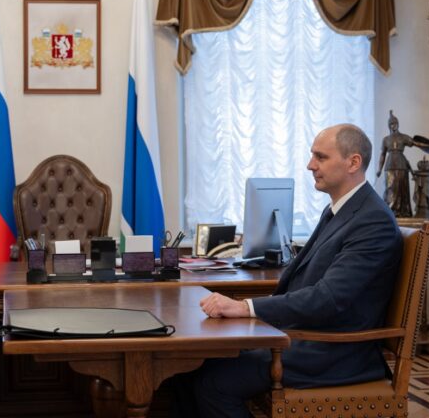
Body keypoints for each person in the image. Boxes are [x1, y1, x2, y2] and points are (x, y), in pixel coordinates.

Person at [171, 124, 403, 418]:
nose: (310, 165)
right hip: (305, 339)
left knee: (212, 384)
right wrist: (248, 312)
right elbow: (305, 285)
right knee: (184, 372)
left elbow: (327, 299)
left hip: (332, 352)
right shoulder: (340, 210)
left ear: (353, 162)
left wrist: (245, 308)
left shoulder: (372, 221)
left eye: (320, 157)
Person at [376, 110, 429, 217]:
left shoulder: (403, 137)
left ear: (398, 124)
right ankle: (390, 211)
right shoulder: (386, 140)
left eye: (395, 123)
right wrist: (379, 169)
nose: (394, 125)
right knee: (390, 188)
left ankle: (403, 211)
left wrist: (427, 146)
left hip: (401, 165)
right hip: (390, 165)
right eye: (391, 124)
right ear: (389, 126)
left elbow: (415, 143)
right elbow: (382, 155)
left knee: (402, 188)